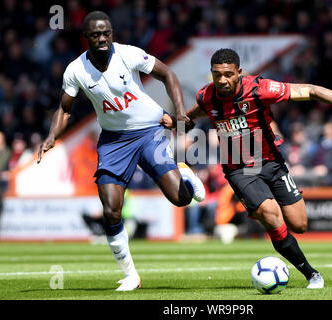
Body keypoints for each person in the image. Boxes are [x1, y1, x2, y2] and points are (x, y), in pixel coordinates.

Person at [160, 48, 332, 288]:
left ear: (239, 73)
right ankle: (311, 274)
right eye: (217, 75)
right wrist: (175, 121)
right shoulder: (207, 96)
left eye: (228, 74)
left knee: (299, 224)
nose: (222, 80)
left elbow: (313, 91)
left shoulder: (259, 89)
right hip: (240, 169)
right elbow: (190, 119)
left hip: (272, 163)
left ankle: (272, 227)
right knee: (271, 215)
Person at [36, 11, 205, 291]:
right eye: (96, 34)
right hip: (114, 142)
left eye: (106, 33)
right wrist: (52, 136)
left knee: (180, 199)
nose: (102, 39)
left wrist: (179, 113)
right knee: (111, 211)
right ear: (86, 37)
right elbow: (65, 109)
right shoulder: (75, 70)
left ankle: (184, 173)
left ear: (111, 33)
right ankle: (131, 275)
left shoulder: (129, 54)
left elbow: (168, 74)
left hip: (150, 131)